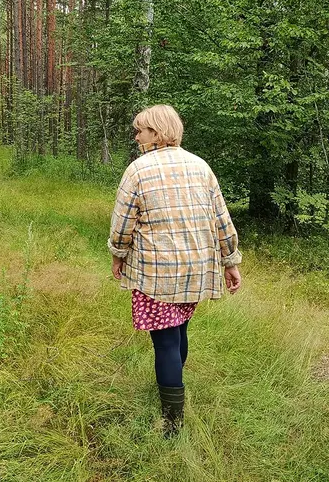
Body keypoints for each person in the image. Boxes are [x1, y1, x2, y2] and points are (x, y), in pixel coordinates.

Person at [108, 105, 242, 437]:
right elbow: (222, 219)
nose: (137, 136)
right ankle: (175, 388)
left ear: (157, 132)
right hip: (197, 268)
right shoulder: (201, 167)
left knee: (166, 341)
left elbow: (122, 225)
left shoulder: (138, 171)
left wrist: (118, 254)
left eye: (141, 130)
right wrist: (231, 261)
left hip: (158, 272)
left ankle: (172, 422)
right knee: (179, 329)